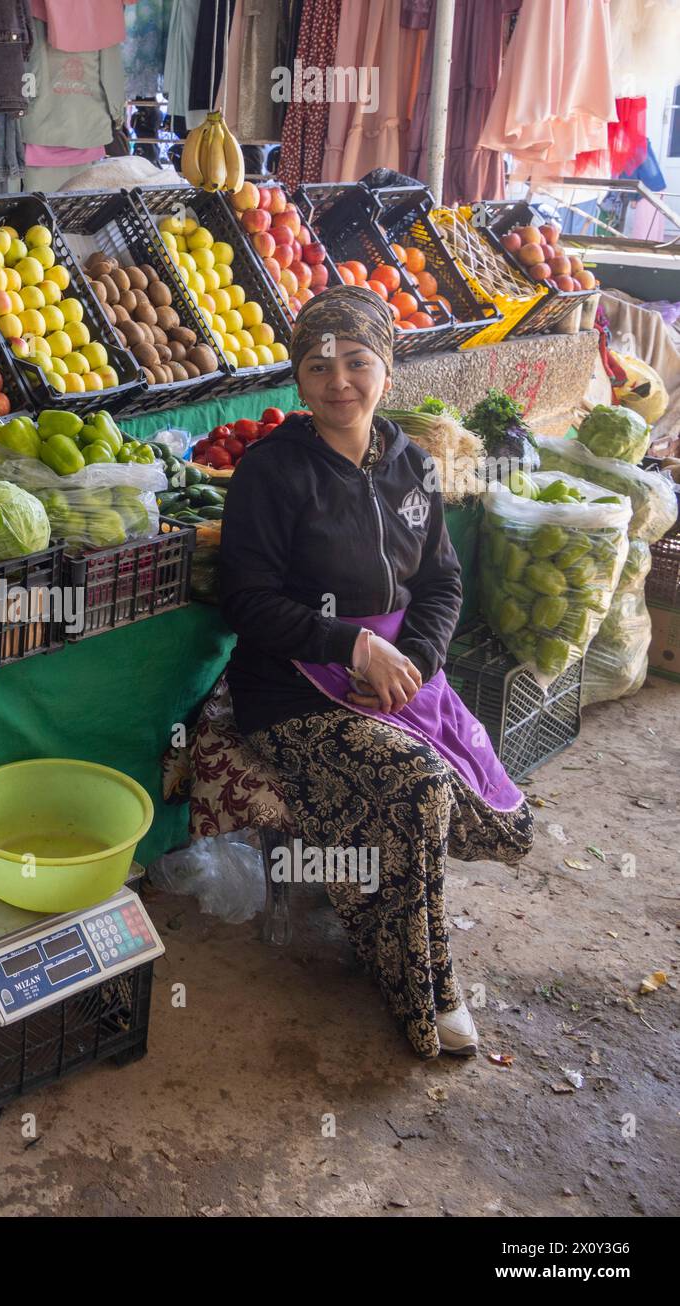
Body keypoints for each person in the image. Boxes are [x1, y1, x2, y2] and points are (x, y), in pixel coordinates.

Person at [218, 285, 533, 1059]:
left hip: (401, 678)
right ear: (298, 380)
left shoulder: (412, 466)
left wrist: (417, 662)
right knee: (419, 788)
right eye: (318, 366)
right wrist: (351, 646)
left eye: (357, 362)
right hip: (291, 690)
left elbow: (442, 584)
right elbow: (247, 603)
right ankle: (424, 983)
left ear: (386, 373)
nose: (339, 382)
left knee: (500, 820)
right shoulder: (271, 471)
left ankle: (391, 929)